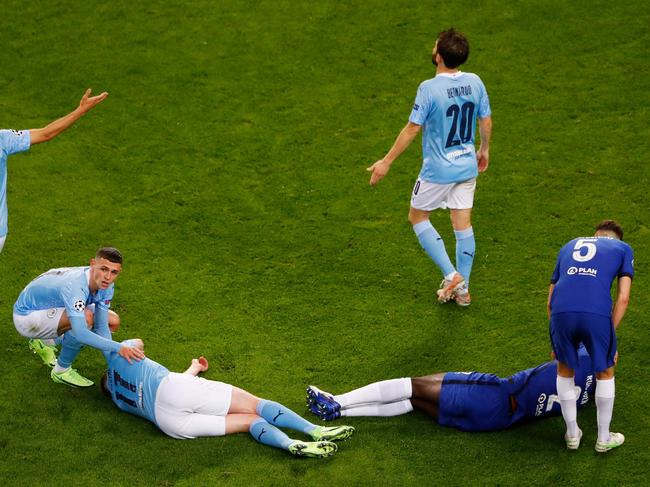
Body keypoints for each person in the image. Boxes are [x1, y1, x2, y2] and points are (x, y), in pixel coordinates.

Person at [367, 28, 492, 306]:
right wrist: (483, 150)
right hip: (467, 165)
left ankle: (451, 276)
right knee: (463, 225)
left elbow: (412, 129)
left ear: (438, 57)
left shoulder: (429, 88)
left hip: (438, 171)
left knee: (418, 217)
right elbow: (485, 119)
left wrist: (385, 162)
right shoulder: (475, 82)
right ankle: (464, 292)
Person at [100, 339, 355, 458]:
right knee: (255, 405)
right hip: (173, 388)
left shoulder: (119, 400)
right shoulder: (116, 359)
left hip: (168, 423)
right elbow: (139, 344)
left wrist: (193, 369)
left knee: (248, 421)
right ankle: (316, 431)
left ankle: (290, 445)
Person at [307, 347, 594, 434]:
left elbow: (519, 383)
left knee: (413, 384)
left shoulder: (570, 364)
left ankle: (337, 400)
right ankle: (340, 412)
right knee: (414, 401)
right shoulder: (587, 395)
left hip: (489, 396)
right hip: (494, 423)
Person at [548, 219, 633, 453]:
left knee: (564, 369)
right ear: (616, 239)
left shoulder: (569, 245)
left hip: (561, 313)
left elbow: (551, 298)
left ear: (595, 235)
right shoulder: (623, 249)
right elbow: (623, 298)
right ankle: (604, 438)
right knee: (605, 371)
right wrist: (609, 335)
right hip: (595, 315)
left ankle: (572, 434)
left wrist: (556, 336)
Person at [14, 247, 144, 387]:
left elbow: (101, 326)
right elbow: (81, 333)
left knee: (112, 321)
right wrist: (119, 348)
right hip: (27, 317)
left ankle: (45, 342)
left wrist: (113, 364)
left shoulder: (106, 285)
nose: (108, 277)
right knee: (85, 319)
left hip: (51, 307)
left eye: (114, 272)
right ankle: (61, 371)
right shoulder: (76, 287)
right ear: (93, 264)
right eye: (104, 269)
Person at [0, 89, 108, 253]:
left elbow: (45, 133)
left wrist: (81, 110)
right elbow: (45, 134)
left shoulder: (3, 139)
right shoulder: (3, 140)